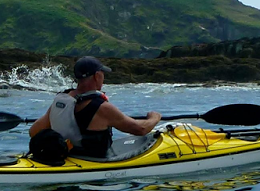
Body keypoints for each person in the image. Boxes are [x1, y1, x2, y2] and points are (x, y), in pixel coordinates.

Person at [29, 57, 161, 159]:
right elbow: (141, 129)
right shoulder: (102, 108)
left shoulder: (61, 100)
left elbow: (34, 131)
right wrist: (154, 118)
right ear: (97, 76)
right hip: (92, 162)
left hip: (67, 156)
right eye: (102, 74)